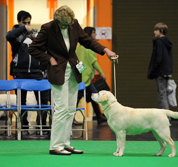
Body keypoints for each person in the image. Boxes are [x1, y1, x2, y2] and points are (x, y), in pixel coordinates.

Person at [28, 5, 117, 155]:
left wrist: (105, 50)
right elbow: (33, 48)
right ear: (57, 21)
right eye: (63, 24)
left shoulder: (74, 23)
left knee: (70, 109)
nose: (66, 26)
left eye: (68, 24)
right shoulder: (48, 28)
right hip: (58, 72)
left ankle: (66, 144)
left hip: (74, 70)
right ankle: (55, 146)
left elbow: (88, 41)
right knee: (62, 108)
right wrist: (49, 59)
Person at [6, 10, 50, 135]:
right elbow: (9, 36)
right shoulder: (16, 36)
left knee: (43, 100)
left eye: (29, 22)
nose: (28, 24)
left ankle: (41, 126)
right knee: (21, 102)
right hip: (20, 72)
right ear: (19, 22)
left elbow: (44, 49)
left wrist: (37, 39)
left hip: (37, 72)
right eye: (25, 22)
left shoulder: (34, 36)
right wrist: (24, 29)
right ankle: (23, 127)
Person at [75, 27, 107, 125]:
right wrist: (102, 73)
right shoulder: (89, 48)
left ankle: (99, 116)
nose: (95, 35)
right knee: (79, 98)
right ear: (89, 34)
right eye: (94, 32)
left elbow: (77, 61)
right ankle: (71, 118)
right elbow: (94, 62)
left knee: (94, 95)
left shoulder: (79, 48)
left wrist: (82, 71)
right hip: (86, 78)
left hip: (82, 77)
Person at [147, 22, 173, 110]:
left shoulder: (159, 42)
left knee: (162, 95)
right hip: (167, 71)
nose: (154, 32)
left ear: (161, 31)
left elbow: (158, 58)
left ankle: (166, 118)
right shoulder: (167, 42)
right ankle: (165, 115)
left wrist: (153, 70)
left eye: (156, 30)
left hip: (160, 72)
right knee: (164, 94)